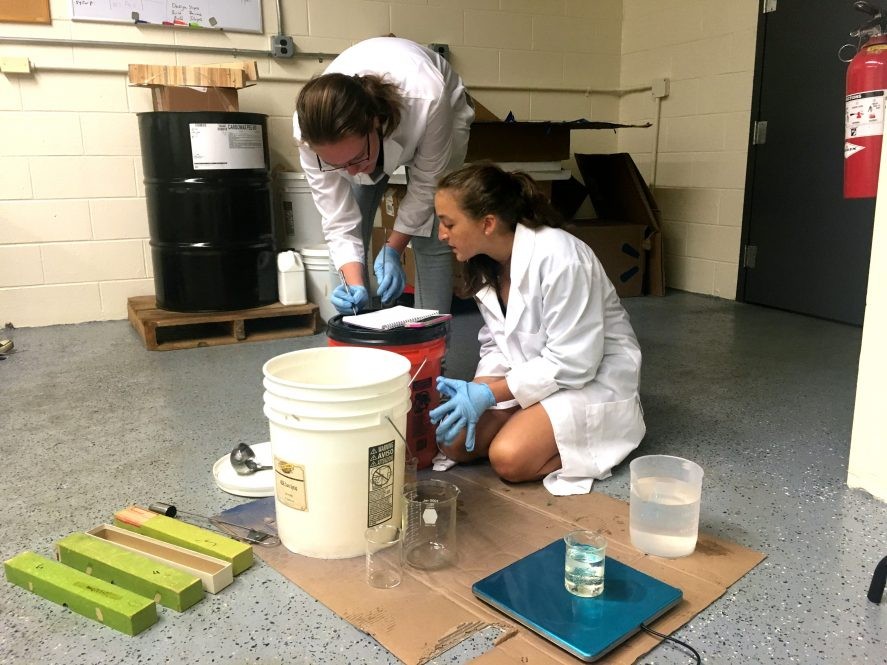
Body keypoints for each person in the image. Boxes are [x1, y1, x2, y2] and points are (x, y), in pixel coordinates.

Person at [428, 164, 646, 496]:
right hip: (535, 372)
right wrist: (477, 387)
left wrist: (491, 395)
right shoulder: (486, 262)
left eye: (448, 224)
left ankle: (586, 444)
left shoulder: (561, 257)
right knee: (454, 442)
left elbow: (576, 362)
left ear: (488, 223)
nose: (442, 235)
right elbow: (496, 342)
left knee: (509, 459)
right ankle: (527, 419)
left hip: (591, 378)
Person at [293, 37, 474, 315]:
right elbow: (338, 221)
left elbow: (427, 186)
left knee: (432, 234)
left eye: (355, 159)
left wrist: (394, 247)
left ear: (375, 121)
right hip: (369, 133)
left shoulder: (428, 97)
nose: (350, 171)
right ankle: (354, 338)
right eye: (337, 164)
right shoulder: (310, 133)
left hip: (440, 110)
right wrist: (354, 285)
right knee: (357, 216)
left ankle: (432, 345)